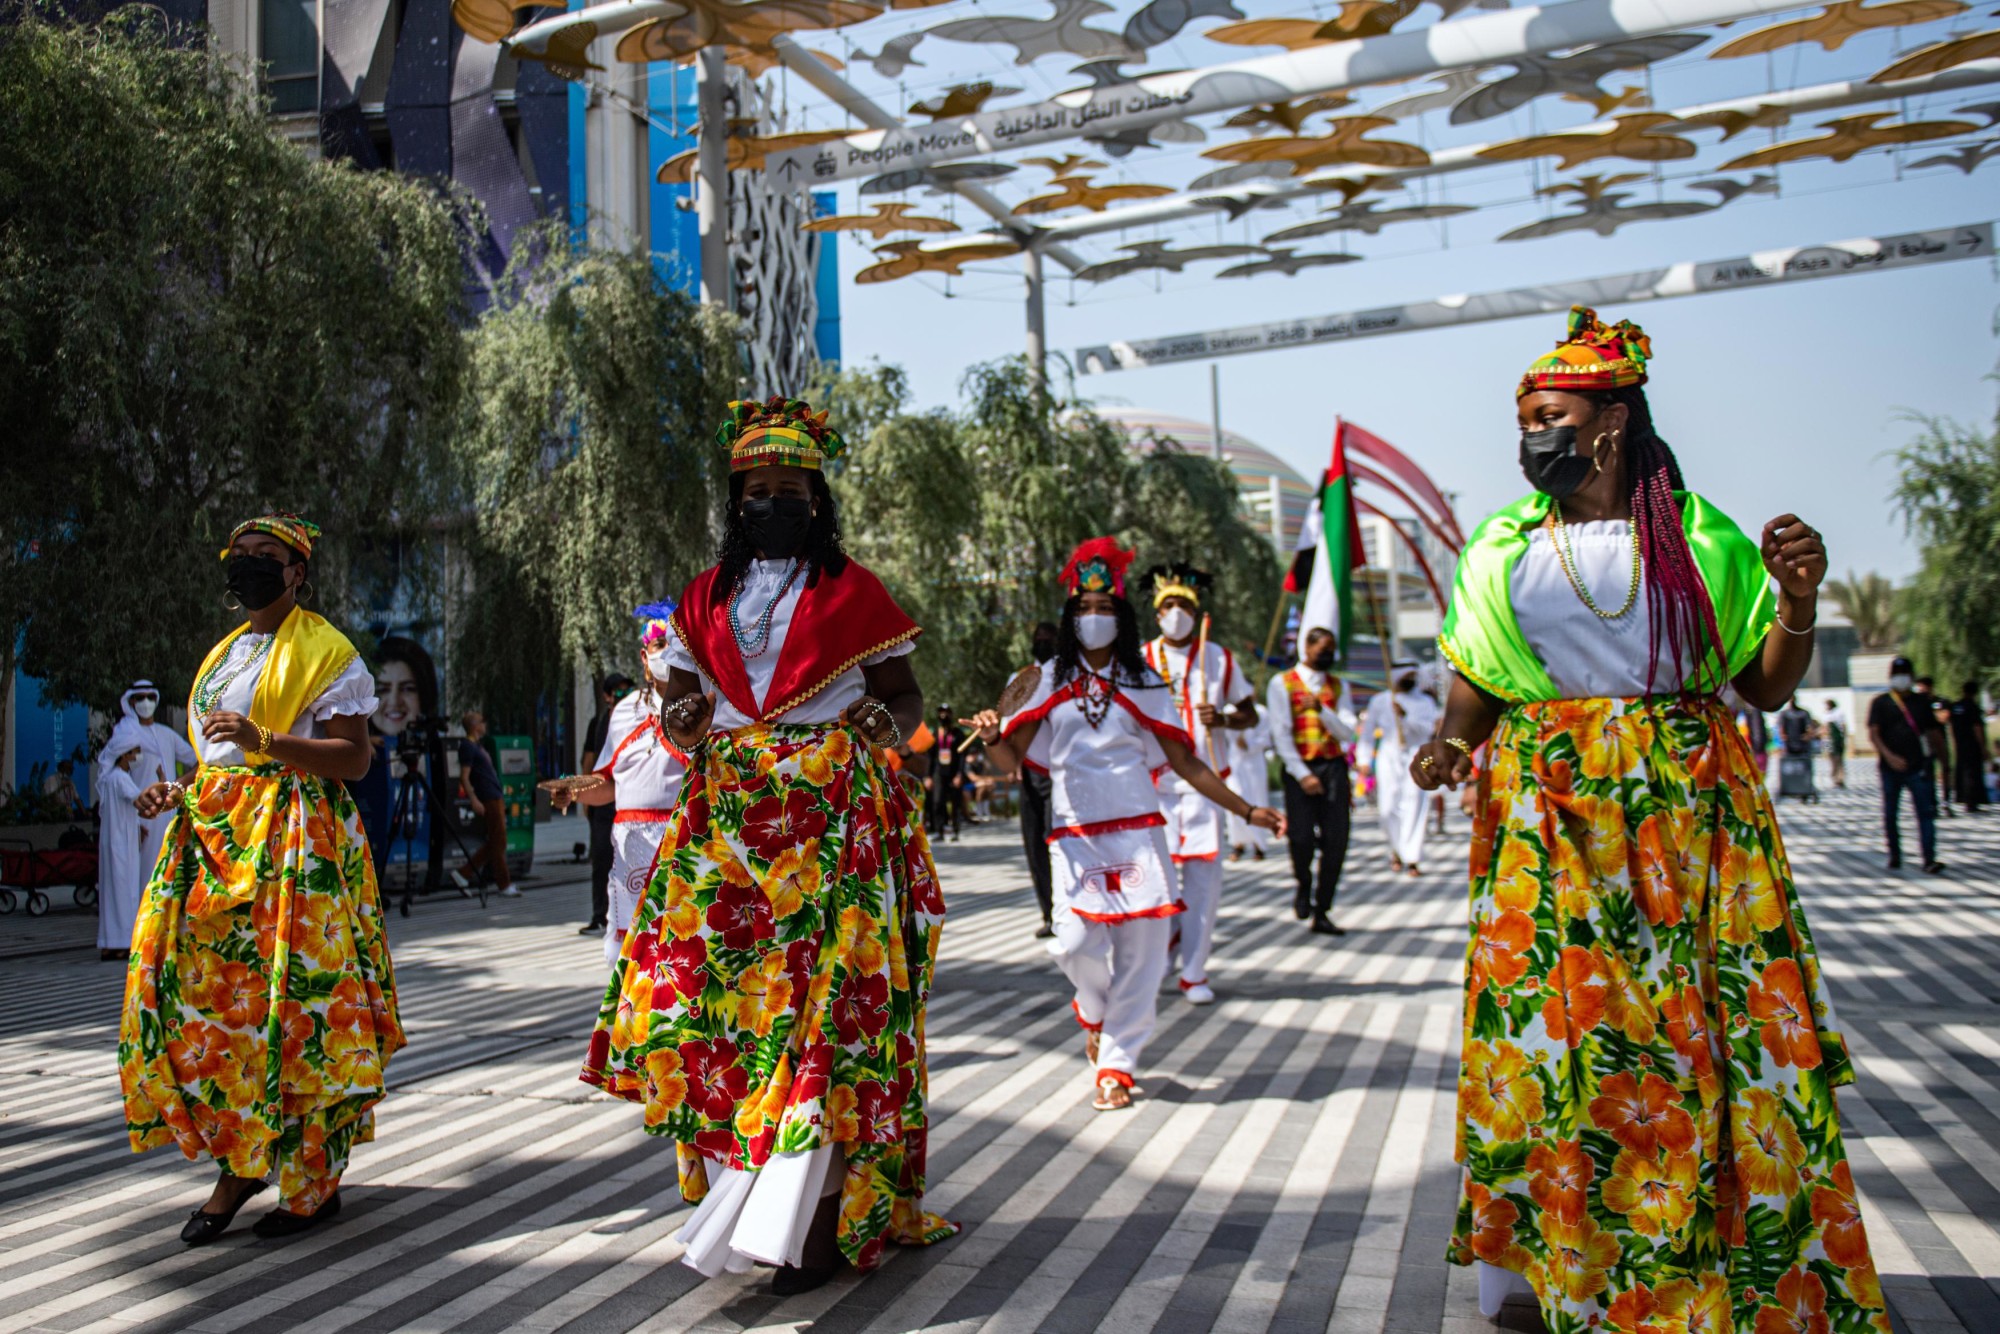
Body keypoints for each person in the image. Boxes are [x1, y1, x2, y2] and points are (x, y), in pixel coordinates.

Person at [1411, 308, 1886, 1333]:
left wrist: (1796, 599)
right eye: (1524, 420)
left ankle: (1724, 1266)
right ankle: (1555, 1271)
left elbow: (1760, 687)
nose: (1533, 436)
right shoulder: (1499, 544)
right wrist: (1450, 741)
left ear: (1611, 420)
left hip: (1685, 817)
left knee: (1696, 1038)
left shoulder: (1700, 534)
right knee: (1556, 1040)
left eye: (1550, 416)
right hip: (1548, 824)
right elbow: (1474, 682)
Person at [580, 396, 956, 1293]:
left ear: (817, 501)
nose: (772, 504)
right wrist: (679, 714)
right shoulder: (703, 596)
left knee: (825, 1016)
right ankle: (740, 1196)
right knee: (708, 1011)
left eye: (789, 490)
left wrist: (880, 723)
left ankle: (815, 1215)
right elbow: (683, 713)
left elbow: (905, 703)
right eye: (756, 491)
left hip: (831, 824)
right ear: (735, 503)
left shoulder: (853, 589)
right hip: (725, 830)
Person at [121, 512, 400, 1245]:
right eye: (238, 554)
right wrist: (178, 790)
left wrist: (266, 740)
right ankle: (241, 1161)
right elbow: (221, 758)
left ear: (296, 571)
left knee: (298, 1011)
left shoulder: (326, 651)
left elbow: (354, 760)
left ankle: (310, 1180)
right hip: (215, 842)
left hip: (295, 846)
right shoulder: (223, 655)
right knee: (211, 1006)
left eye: (264, 556)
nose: (247, 565)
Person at [973, 538, 1283, 1111]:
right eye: (1084, 609)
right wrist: (993, 735)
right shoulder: (1041, 679)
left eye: (1106, 608)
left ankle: (1117, 1064)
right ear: (1070, 616)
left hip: (1141, 834)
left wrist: (1247, 810)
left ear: (1123, 616)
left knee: (1142, 956)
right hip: (1074, 836)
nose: (1095, 618)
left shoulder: (1146, 682)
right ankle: (1093, 1010)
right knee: (1073, 942)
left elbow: (1187, 762)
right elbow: (1012, 761)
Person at [1141, 562, 1260, 1004]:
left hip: (1206, 785)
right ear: (1157, 615)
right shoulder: (1139, 658)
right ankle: (1161, 953)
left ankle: (1194, 972)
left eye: (1184, 605)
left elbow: (1250, 712)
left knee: (1202, 885)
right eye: (1168, 605)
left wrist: (1224, 718)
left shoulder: (1218, 657)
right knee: (1157, 882)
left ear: (1196, 612)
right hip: (1153, 786)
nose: (1176, 612)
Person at [545, 603, 691, 961]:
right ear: (644, 657)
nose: (666, 654)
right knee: (624, 954)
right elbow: (610, 783)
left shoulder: (701, 707)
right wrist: (571, 790)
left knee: (679, 949)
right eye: (659, 647)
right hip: (630, 847)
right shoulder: (625, 710)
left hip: (681, 838)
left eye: (674, 645)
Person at [1266, 627, 1358, 935]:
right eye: (1323, 649)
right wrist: (1303, 775)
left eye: (1332, 649)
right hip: (1299, 769)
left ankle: (1322, 910)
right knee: (1301, 838)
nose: (1328, 655)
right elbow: (1280, 734)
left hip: (1333, 769)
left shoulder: (1338, 686)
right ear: (1307, 648)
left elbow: (1348, 732)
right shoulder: (1282, 684)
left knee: (1336, 841)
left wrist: (1323, 711)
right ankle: (1303, 883)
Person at [103, 680, 197, 878]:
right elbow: (120, 774)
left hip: (170, 809)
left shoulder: (167, 734)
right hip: (143, 813)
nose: (146, 702)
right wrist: (134, 823)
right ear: (131, 701)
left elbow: (195, 759)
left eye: (150, 697)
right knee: (144, 872)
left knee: (172, 868)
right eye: (140, 698)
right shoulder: (127, 734)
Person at [1359, 660, 1441, 876]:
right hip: (1389, 755)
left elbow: (1428, 729)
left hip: (1417, 754)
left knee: (1415, 803)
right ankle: (1396, 849)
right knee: (1387, 806)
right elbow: (1367, 732)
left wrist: (1406, 717)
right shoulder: (1380, 700)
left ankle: (1412, 857)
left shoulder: (1425, 702)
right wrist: (1363, 759)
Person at [1870, 656, 1943, 872]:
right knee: (1891, 812)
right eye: (1897, 674)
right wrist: (1889, 757)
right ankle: (1895, 854)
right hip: (1889, 768)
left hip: (1917, 766)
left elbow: (1933, 733)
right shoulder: (1881, 702)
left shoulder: (1921, 702)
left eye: (1904, 674)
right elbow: (1874, 734)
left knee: (1925, 812)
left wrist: (1941, 761)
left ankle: (1929, 858)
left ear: (1911, 676)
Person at [1016, 621, 1060, 937]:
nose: (1042, 641)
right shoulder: (1020, 679)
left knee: (1059, 843)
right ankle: (1049, 913)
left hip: (1061, 772)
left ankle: (1068, 909)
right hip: (1029, 771)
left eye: (1049, 637)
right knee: (1034, 847)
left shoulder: (1066, 676)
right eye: (1038, 637)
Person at [577, 675, 631, 933]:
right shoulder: (597, 724)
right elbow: (588, 760)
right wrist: (585, 798)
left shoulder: (633, 719)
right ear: (607, 696)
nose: (623, 696)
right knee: (600, 859)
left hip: (626, 800)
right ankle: (600, 915)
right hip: (602, 802)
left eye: (626, 691)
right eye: (617, 693)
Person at [94, 720, 149, 962]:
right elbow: (140, 801)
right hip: (122, 845)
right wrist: (163, 783)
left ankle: (110, 943)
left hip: (115, 841)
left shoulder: (111, 778)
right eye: (136, 751)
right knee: (124, 891)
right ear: (125, 755)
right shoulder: (119, 778)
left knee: (112, 893)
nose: (139, 756)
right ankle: (123, 942)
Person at [453, 711, 516, 897]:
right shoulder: (467, 747)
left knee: (497, 841)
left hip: (494, 795)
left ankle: (463, 873)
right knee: (499, 840)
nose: (485, 724)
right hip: (487, 797)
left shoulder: (477, 745)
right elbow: (464, 777)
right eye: (482, 721)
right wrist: (474, 799)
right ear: (474, 725)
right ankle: (503, 883)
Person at [1914, 675, 1953, 816]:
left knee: (1945, 769)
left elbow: (1944, 717)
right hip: (1925, 742)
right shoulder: (1917, 703)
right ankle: (1932, 803)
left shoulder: (1940, 701)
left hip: (1941, 740)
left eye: (1921, 687)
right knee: (1927, 772)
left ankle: (1946, 801)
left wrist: (1933, 715)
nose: (1919, 690)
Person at [928, 704, 966, 842]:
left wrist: (960, 774)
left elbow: (962, 756)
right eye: (941, 712)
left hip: (954, 771)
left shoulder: (958, 734)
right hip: (939, 772)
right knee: (938, 801)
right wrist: (928, 776)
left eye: (946, 712)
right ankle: (939, 830)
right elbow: (930, 756)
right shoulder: (934, 734)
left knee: (956, 802)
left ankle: (956, 830)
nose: (943, 715)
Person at [1949, 679, 1988, 813]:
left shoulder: (1956, 707)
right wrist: (1983, 747)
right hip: (1972, 745)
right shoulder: (1973, 707)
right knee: (1972, 772)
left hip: (1960, 744)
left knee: (1962, 771)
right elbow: (1976, 727)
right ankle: (1972, 801)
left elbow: (1951, 727)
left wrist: (1954, 743)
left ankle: (1963, 798)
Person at [1823, 698, 1848, 788]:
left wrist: (1844, 738)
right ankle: (1834, 777)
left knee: (1839, 759)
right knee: (1830, 759)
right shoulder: (1826, 714)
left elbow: (1843, 726)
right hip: (1827, 740)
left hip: (1837, 738)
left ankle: (1840, 778)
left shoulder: (1838, 713)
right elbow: (1825, 728)